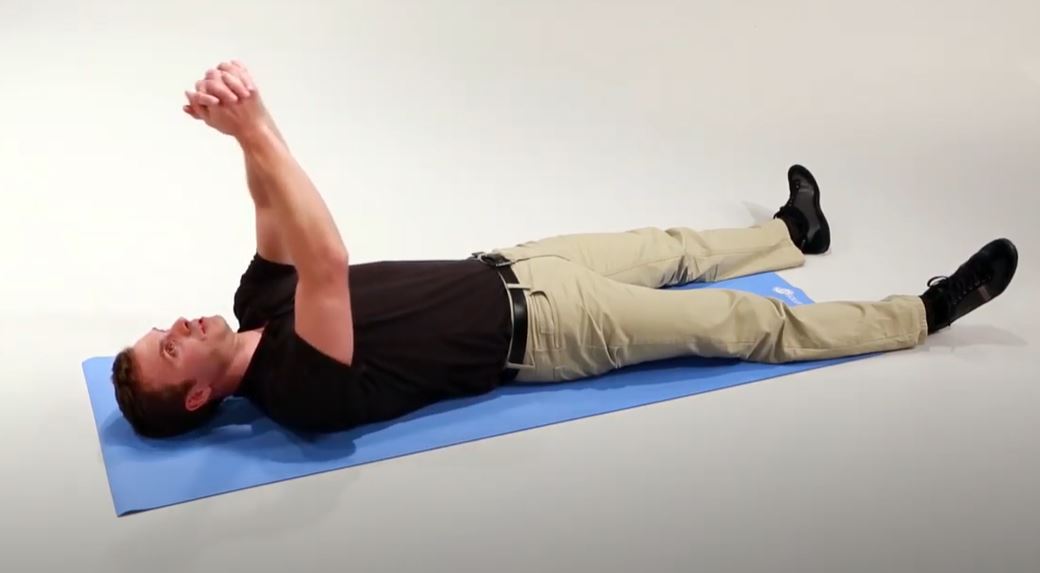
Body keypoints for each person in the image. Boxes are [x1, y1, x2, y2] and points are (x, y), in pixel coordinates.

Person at [111, 61, 1019, 438]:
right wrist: (260, 122)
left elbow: (275, 217)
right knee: (742, 321)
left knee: (670, 243)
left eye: (163, 327)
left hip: (512, 264)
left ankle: (792, 231)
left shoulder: (250, 306)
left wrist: (239, 142)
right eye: (170, 345)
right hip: (550, 333)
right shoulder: (294, 391)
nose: (180, 324)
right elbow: (327, 259)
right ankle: (924, 311)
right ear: (195, 392)